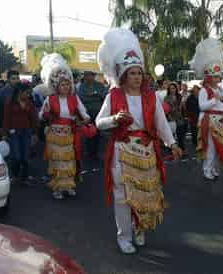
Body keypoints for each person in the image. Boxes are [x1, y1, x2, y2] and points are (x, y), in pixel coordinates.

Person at [96, 28, 182, 254]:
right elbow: (98, 123)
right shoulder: (113, 96)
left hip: (145, 151)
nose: (136, 77)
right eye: (132, 73)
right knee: (122, 196)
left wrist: (172, 143)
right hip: (121, 151)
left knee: (144, 194)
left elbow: (161, 123)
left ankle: (139, 229)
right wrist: (114, 119)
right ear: (123, 75)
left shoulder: (151, 96)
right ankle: (124, 237)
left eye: (139, 73)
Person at [39, 54, 90, 200]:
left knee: (69, 161)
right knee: (57, 162)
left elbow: (85, 114)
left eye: (68, 84)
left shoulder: (75, 98)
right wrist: (46, 115)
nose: (66, 87)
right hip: (54, 136)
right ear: (56, 85)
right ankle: (57, 188)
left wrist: (84, 120)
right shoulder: (50, 98)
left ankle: (68, 186)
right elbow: (41, 115)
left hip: (69, 135)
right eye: (63, 84)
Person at [191, 38, 223, 181]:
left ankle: (214, 168)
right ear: (208, 77)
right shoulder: (204, 91)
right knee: (211, 148)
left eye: (217, 76)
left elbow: (222, 106)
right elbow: (202, 106)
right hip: (208, 120)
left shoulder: (220, 90)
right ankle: (207, 170)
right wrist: (215, 99)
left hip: (219, 121)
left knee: (221, 147)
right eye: (213, 76)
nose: (216, 79)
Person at [2, 83, 38, 184]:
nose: (28, 95)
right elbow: (6, 119)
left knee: (25, 156)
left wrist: (35, 133)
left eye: (29, 93)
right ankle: (15, 175)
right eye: (26, 93)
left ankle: (25, 177)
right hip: (13, 132)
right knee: (16, 156)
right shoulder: (10, 102)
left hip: (26, 132)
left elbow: (33, 118)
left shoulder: (29, 102)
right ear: (20, 92)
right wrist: (4, 133)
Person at [77, 71, 107, 159]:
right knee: (88, 132)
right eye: (86, 75)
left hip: (98, 113)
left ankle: (95, 152)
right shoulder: (81, 86)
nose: (88, 77)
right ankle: (89, 152)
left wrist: (95, 95)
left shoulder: (100, 85)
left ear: (93, 76)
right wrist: (95, 95)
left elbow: (103, 96)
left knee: (97, 133)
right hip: (86, 114)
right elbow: (81, 98)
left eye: (90, 75)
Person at [164, 83, 187, 152]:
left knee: (180, 134)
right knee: (172, 135)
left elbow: (183, 108)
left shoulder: (179, 96)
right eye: (171, 88)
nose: (172, 90)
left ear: (176, 89)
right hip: (171, 118)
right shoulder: (166, 98)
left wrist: (183, 106)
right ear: (169, 90)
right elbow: (166, 109)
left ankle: (182, 149)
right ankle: (171, 150)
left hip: (179, 117)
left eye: (173, 88)